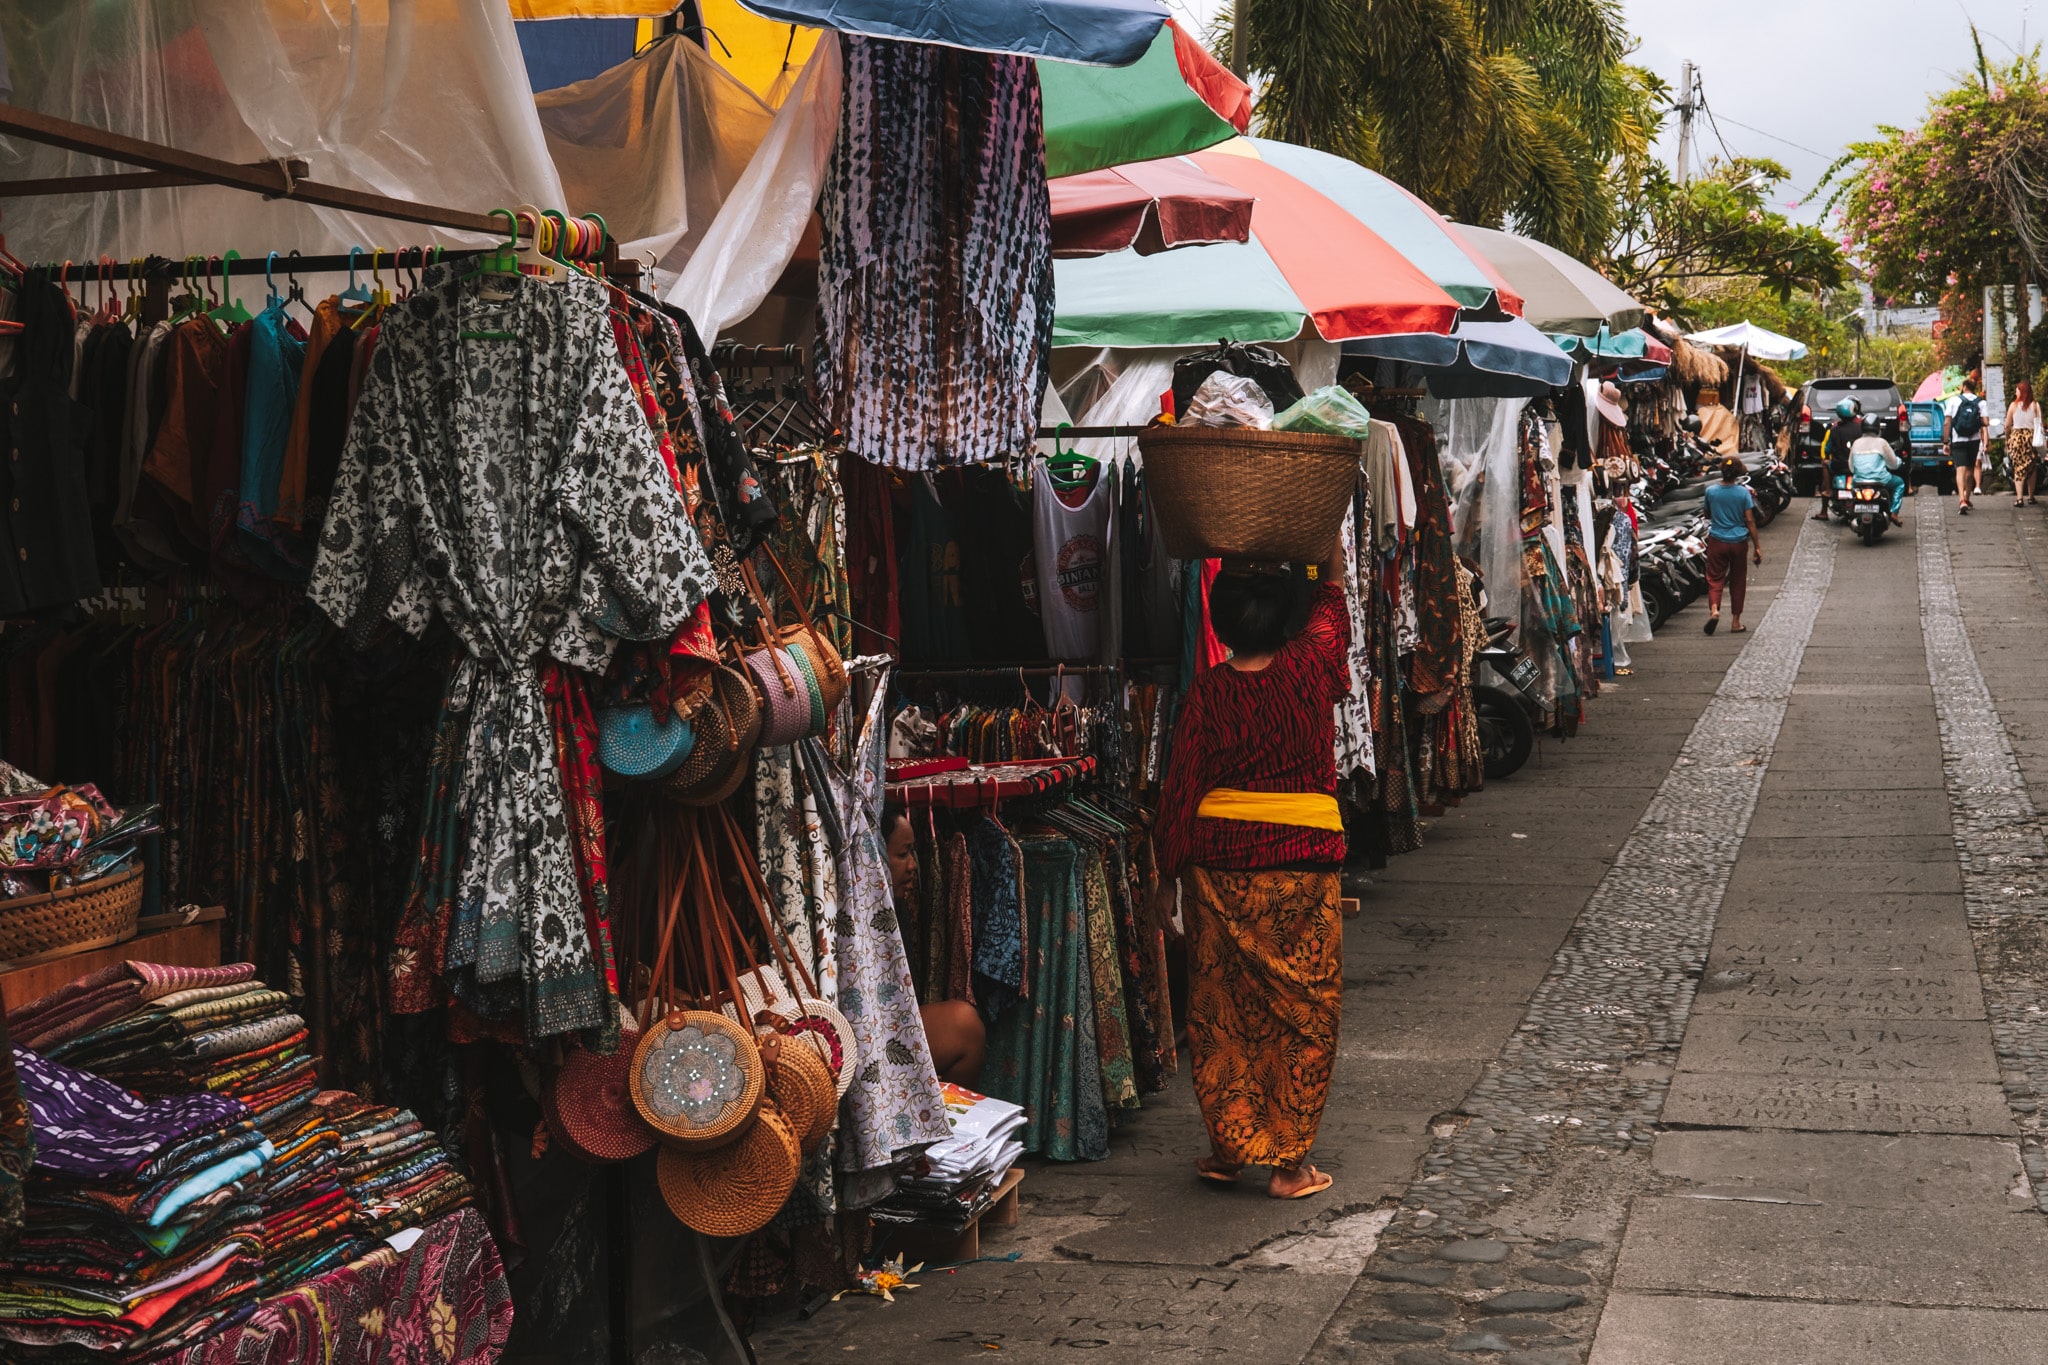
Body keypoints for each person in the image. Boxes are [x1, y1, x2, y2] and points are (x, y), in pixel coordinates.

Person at [1153, 556, 1348, 1201]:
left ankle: (1229, 1148)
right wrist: (1319, 558)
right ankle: (1289, 1165)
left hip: (1220, 872)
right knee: (1303, 1012)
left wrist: (1162, 879)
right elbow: (1332, 601)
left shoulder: (1208, 692)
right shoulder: (1309, 668)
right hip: (1301, 865)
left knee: (1220, 1012)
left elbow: (1181, 791)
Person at [881, 800, 986, 1087]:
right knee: (965, 1025)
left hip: (892, 1027)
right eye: (903, 854)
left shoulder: (896, 907)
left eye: (913, 853)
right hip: (872, 1038)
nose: (913, 865)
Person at [1703, 456, 1763, 635]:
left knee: (1714, 578)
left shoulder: (1711, 491)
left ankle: (1714, 610)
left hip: (1717, 540)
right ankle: (1736, 622)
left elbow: (1707, 513)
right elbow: (1750, 520)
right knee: (1738, 581)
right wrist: (1757, 546)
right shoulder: (1743, 493)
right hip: (1738, 542)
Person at [1812, 398, 1864, 521]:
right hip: (1857, 466)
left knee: (1825, 464)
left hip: (1838, 466)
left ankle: (1826, 502)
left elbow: (1827, 450)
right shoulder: (1862, 428)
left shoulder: (1834, 430)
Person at [1947, 378, 1987, 513]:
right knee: (1970, 468)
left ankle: (1962, 499)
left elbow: (1948, 422)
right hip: (1973, 439)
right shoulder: (1981, 402)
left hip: (1958, 439)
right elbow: (1986, 422)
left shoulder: (1953, 400)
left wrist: (1945, 441)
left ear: (1964, 387)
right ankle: (1968, 497)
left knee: (1960, 469)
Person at [1849, 432, 1906, 525]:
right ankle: (1894, 512)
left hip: (1859, 480)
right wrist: (1899, 461)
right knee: (1899, 483)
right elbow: (1893, 464)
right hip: (1881, 479)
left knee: (1851, 487)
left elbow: (1851, 467)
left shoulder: (1856, 443)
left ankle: (1850, 508)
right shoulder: (1882, 443)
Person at [2007, 381, 2042, 506]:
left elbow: (2007, 425)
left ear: (2021, 392)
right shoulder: (2035, 405)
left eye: (2017, 390)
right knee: (2032, 467)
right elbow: (2040, 424)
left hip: (2017, 438)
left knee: (2018, 468)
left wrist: (2007, 438)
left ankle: (2019, 498)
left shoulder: (2013, 406)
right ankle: (2031, 496)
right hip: (2031, 439)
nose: (2015, 392)